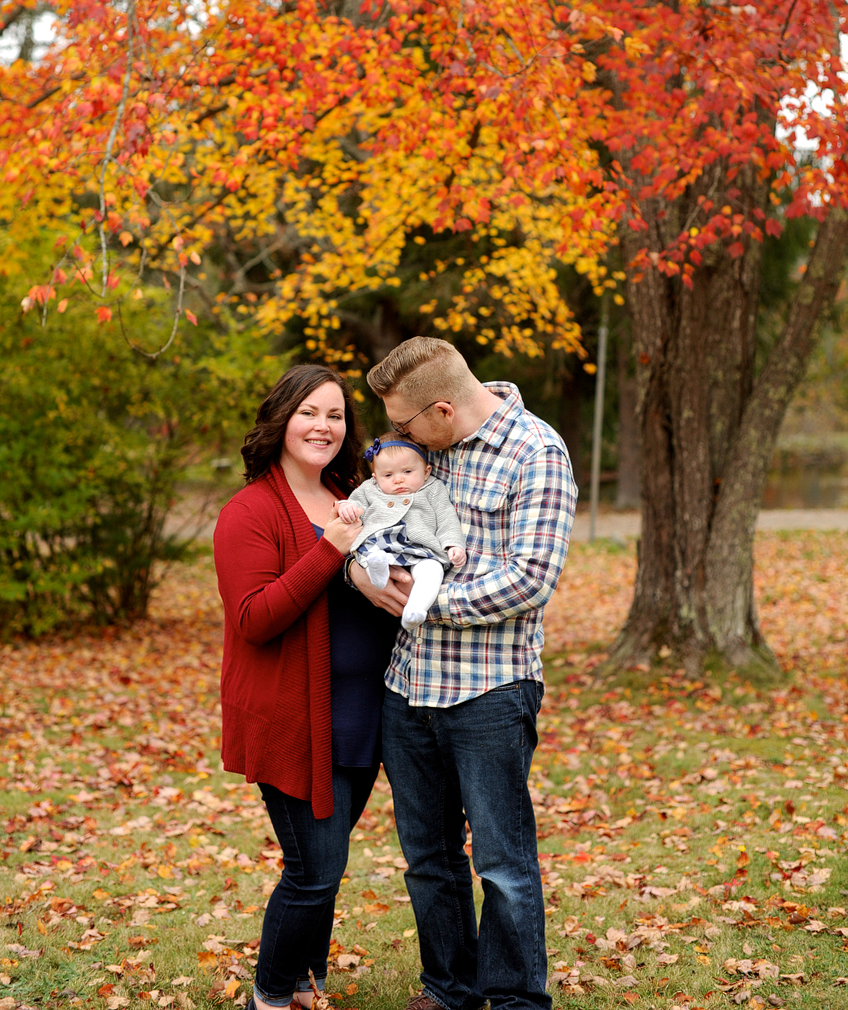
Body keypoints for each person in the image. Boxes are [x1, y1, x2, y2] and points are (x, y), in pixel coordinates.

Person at [350, 337, 577, 1010]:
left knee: (502, 863)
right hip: (407, 687)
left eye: (405, 424)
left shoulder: (535, 453)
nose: (398, 437)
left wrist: (423, 603)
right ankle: (449, 988)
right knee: (429, 857)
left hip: (490, 690)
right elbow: (367, 525)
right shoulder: (425, 454)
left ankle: (513, 999)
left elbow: (530, 579)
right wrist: (365, 581)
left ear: (442, 410)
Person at [213, 365, 398, 1010]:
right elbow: (253, 619)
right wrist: (331, 549)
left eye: (336, 415)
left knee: (330, 865)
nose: (323, 426)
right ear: (280, 419)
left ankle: (303, 980)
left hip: (360, 714)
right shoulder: (250, 511)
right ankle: (268, 994)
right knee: (314, 869)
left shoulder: (354, 493)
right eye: (309, 413)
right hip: (293, 714)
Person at [338, 432, 467, 631]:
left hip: (421, 548)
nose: (398, 480)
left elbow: (446, 517)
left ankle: (415, 610)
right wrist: (347, 507)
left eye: (407, 472)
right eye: (388, 475)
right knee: (370, 554)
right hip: (380, 543)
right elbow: (354, 503)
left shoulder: (433, 488)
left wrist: (453, 543)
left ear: (426, 471)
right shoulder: (369, 488)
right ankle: (378, 571)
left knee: (433, 570)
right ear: (375, 478)